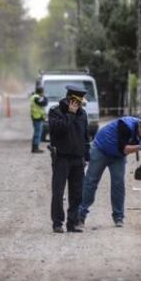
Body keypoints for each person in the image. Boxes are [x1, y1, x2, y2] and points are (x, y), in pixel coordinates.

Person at [78, 117, 141, 228]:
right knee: (91, 182)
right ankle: (80, 215)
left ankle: (118, 217)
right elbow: (123, 149)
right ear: (139, 127)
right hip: (101, 149)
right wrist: (140, 147)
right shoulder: (125, 125)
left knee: (118, 184)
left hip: (117, 156)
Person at [48, 85, 90, 233]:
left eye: (80, 102)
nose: (78, 105)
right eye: (76, 102)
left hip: (78, 159)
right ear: (70, 100)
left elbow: (85, 136)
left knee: (77, 193)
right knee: (58, 192)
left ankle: (72, 223)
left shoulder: (83, 114)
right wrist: (70, 115)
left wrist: (86, 156)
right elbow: (58, 129)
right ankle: (57, 223)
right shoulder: (55, 112)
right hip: (62, 158)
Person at [30, 85, 48, 154]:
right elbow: (44, 103)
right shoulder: (36, 98)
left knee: (37, 133)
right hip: (37, 117)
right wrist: (45, 97)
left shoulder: (35, 97)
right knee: (38, 133)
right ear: (41, 91)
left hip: (37, 117)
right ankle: (35, 148)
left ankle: (35, 147)